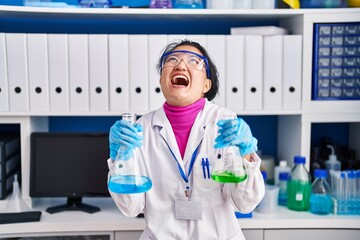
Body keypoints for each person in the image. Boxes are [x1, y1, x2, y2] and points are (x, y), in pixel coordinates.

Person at [108, 39, 265, 240]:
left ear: (206, 84)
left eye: (193, 61)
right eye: (171, 60)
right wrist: (119, 159)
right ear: (161, 80)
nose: (180, 65)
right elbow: (130, 207)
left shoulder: (225, 123)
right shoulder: (140, 129)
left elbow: (245, 203)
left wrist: (246, 154)